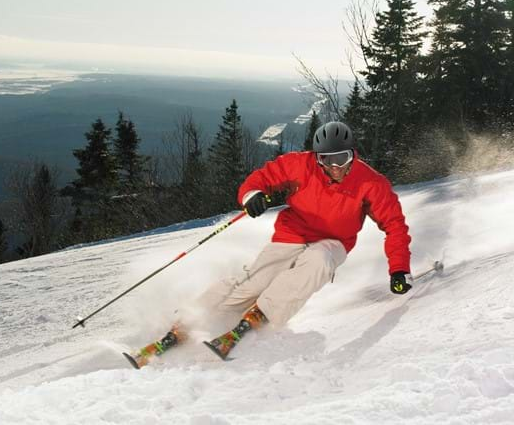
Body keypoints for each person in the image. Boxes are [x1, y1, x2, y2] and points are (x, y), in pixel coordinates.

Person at [125, 121, 413, 367]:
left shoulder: (371, 183)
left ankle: (261, 315)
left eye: (343, 157)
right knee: (253, 282)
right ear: (317, 158)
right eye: (327, 159)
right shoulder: (298, 166)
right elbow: (260, 179)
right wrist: (253, 195)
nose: (336, 166)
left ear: (354, 154)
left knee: (317, 263)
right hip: (292, 234)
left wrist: (398, 269)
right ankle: (187, 322)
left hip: (333, 242)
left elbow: (395, 225)